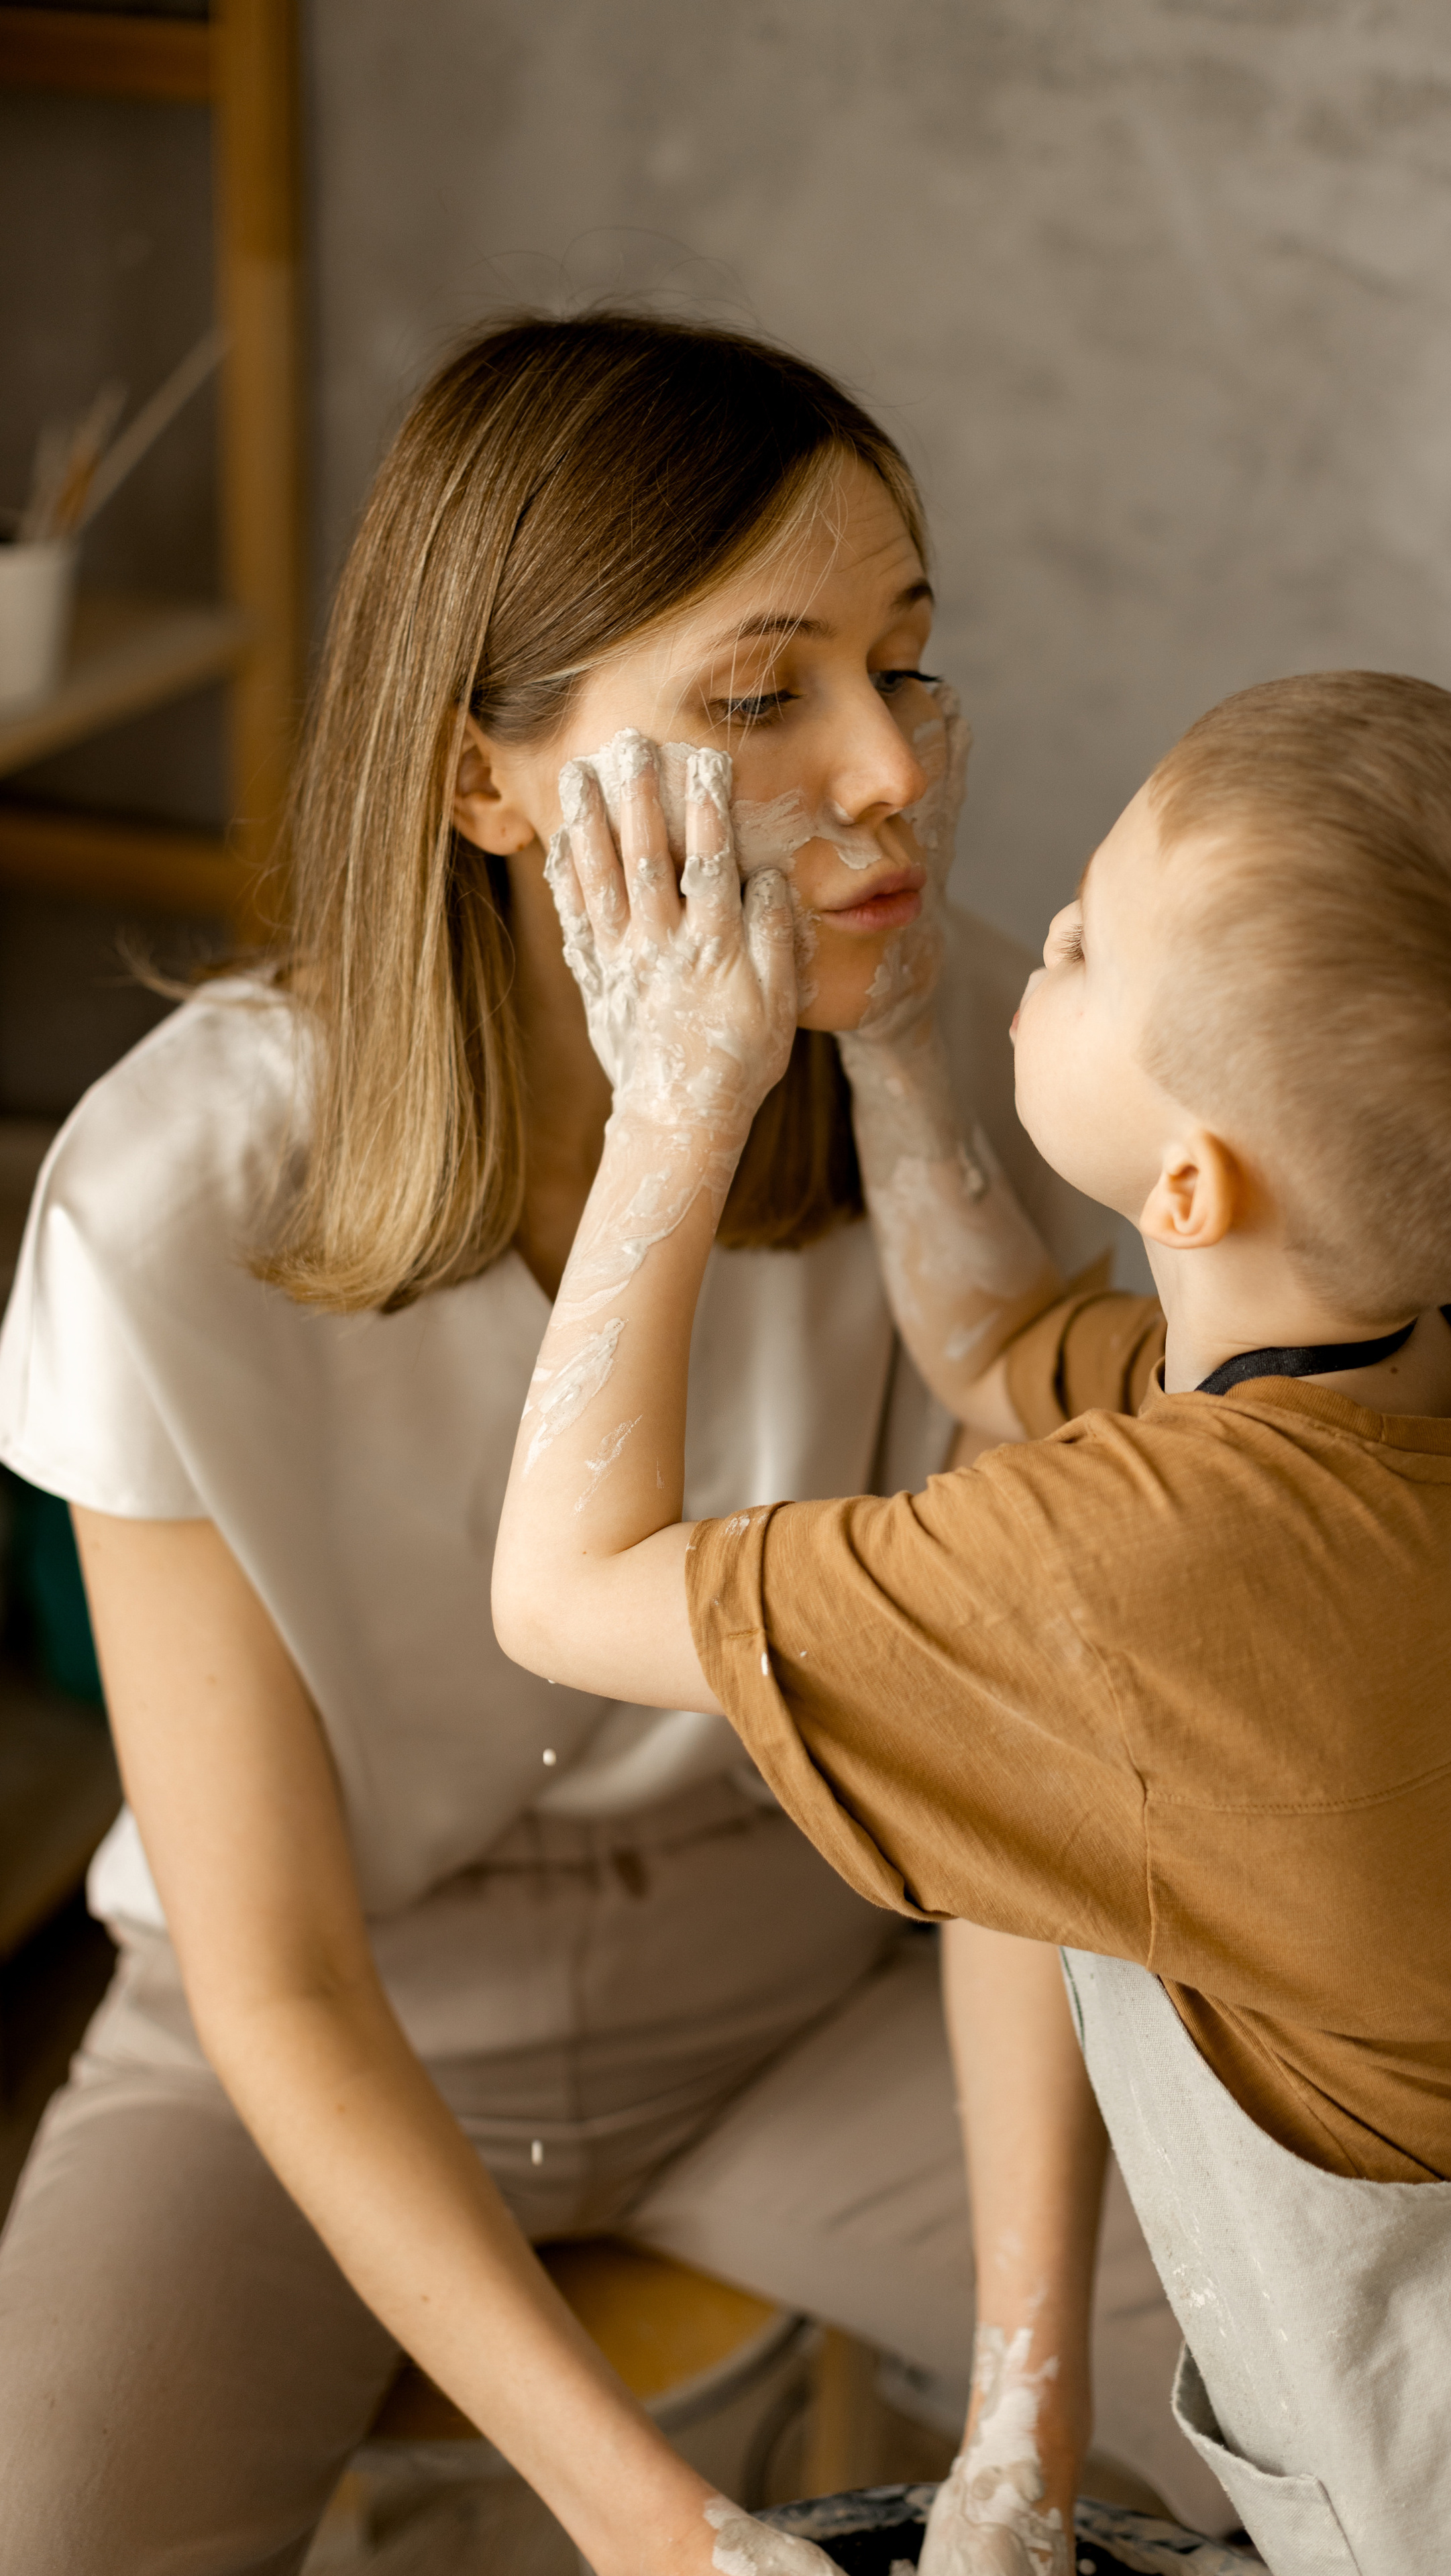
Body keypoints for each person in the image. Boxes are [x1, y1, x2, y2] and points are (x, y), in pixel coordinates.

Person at [0, 315, 1220, 2576]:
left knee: (1407, 2405)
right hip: (327, 2036)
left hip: (813, 1996)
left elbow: (1009, 1820)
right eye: (763, 698)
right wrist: (664, 2533)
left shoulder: (974, 1060)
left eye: (905, 664)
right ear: (487, 784)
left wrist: (1021, 2443)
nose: (887, 766)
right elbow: (274, 1980)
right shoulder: (163, 1205)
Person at [490, 669, 1451, 2575]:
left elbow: (561, 1596)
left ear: (1191, 1182)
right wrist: (897, 1036)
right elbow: (995, 1344)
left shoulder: (1133, 1572)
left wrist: (676, 1097)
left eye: (1083, 945)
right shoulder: (1412, 1371)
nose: (1039, 931)